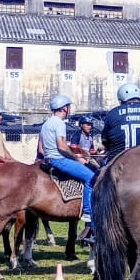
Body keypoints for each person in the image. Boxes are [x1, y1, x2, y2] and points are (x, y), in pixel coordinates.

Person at [38, 93, 96, 225]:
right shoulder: (59, 123)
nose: (69, 109)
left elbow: (43, 148)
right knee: (91, 178)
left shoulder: (46, 123)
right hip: (59, 159)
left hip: (48, 159)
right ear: (64, 108)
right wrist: (76, 158)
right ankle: (87, 212)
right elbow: (62, 147)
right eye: (69, 107)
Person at [102, 83, 140, 160]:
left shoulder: (112, 114)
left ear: (120, 100)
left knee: (100, 169)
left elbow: (105, 141)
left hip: (119, 160)